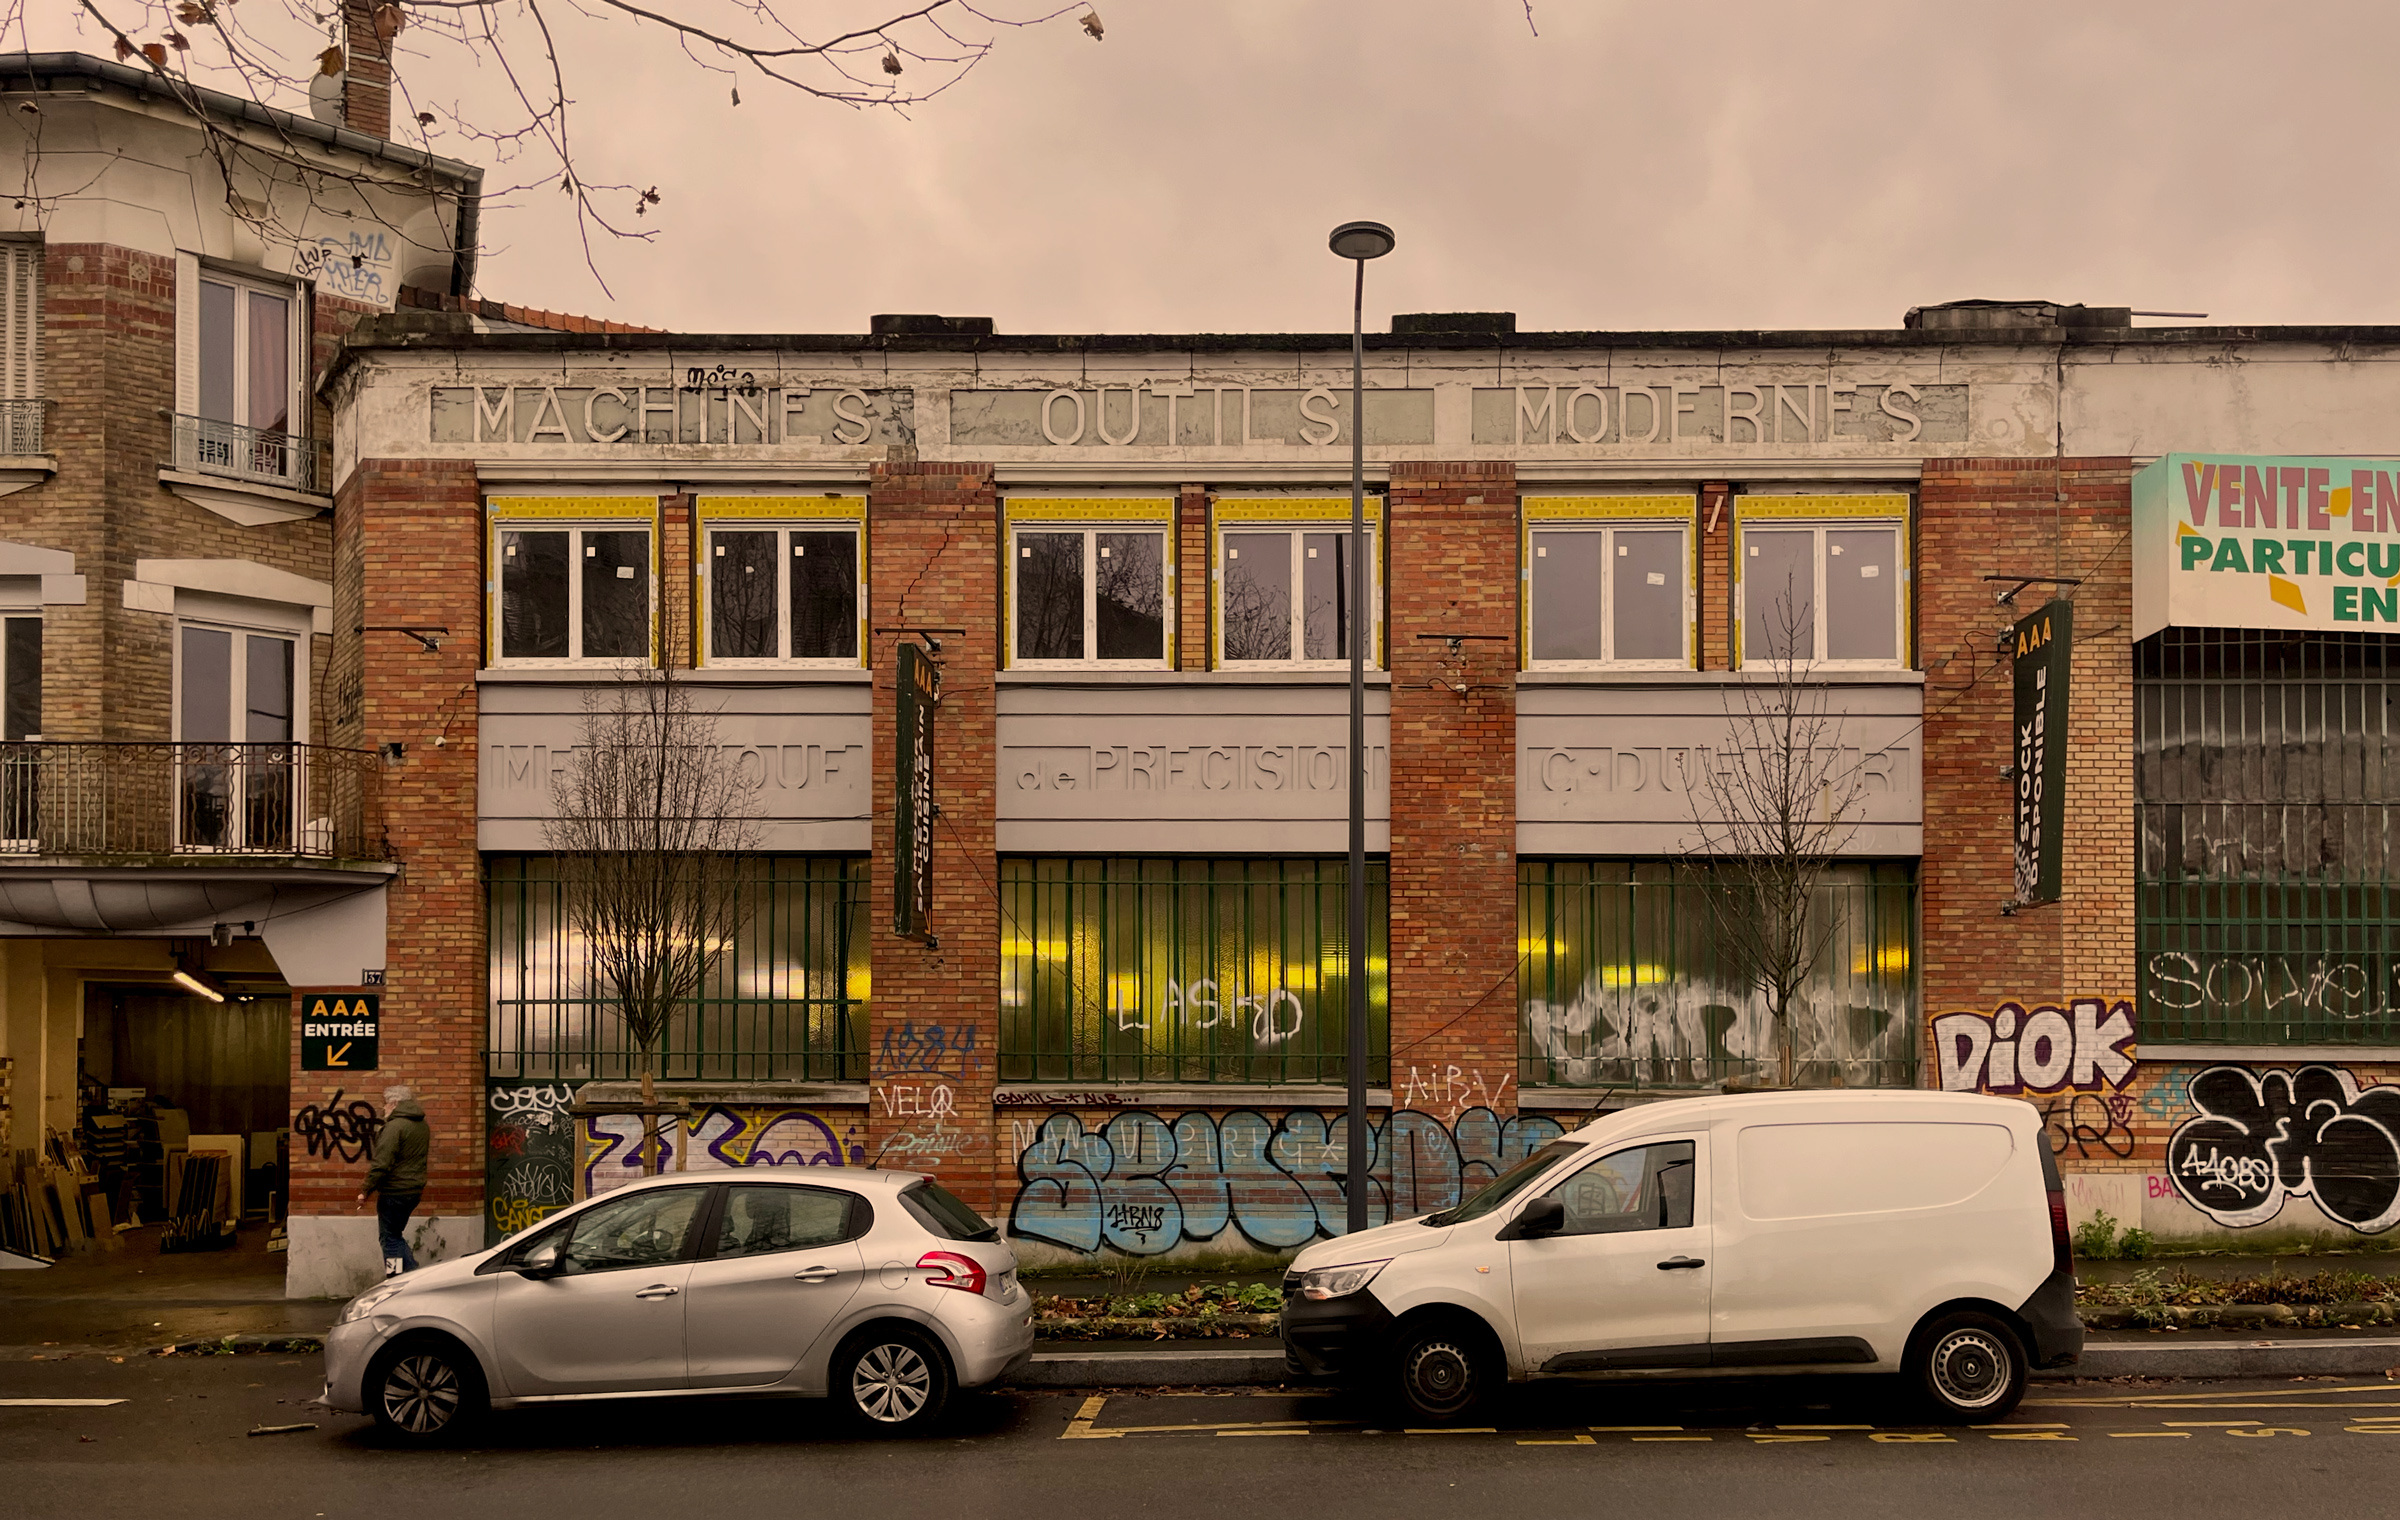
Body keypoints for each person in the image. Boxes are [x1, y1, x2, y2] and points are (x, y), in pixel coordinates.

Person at [358, 1086, 430, 1277]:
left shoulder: (394, 1127)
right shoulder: (421, 1125)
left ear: (394, 1104)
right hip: (413, 1190)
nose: (383, 1108)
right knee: (395, 1236)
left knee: (389, 1239)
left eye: (386, 1103)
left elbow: (382, 1162)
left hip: (394, 1191)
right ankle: (411, 1275)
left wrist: (366, 1190)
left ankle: (395, 1278)